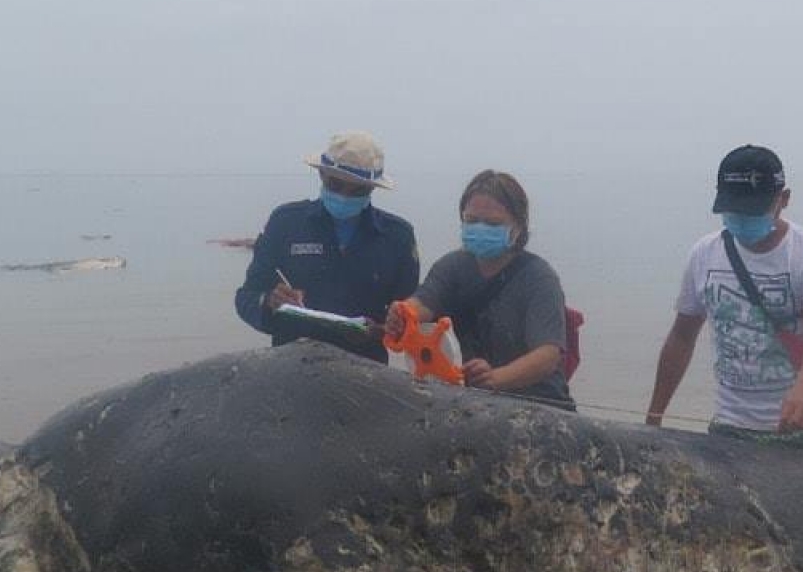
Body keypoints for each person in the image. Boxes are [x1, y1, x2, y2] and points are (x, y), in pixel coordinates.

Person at [645, 145, 803, 467]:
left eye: (754, 211)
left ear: (783, 200)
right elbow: (682, 336)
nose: (743, 221)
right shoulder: (704, 254)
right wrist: (654, 415)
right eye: (735, 211)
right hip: (732, 428)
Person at [384, 170, 574, 409]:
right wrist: (402, 314)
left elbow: (548, 354)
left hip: (537, 406)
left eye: (493, 223)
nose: (480, 228)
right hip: (467, 401)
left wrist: (496, 378)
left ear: (518, 226)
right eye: (472, 221)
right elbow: (424, 302)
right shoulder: (452, 266)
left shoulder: (539, 278)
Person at [235, 131, 419, 363]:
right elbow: (246, 297)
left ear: (372, 189)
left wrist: (384, 330)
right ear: (322, 174)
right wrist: (270, 303)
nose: (344, 196)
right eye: (336, 184)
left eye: (358, 190)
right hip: (290, 369)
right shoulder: (285, 222)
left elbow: (413, 318)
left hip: (366, 376)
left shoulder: (398, 236)